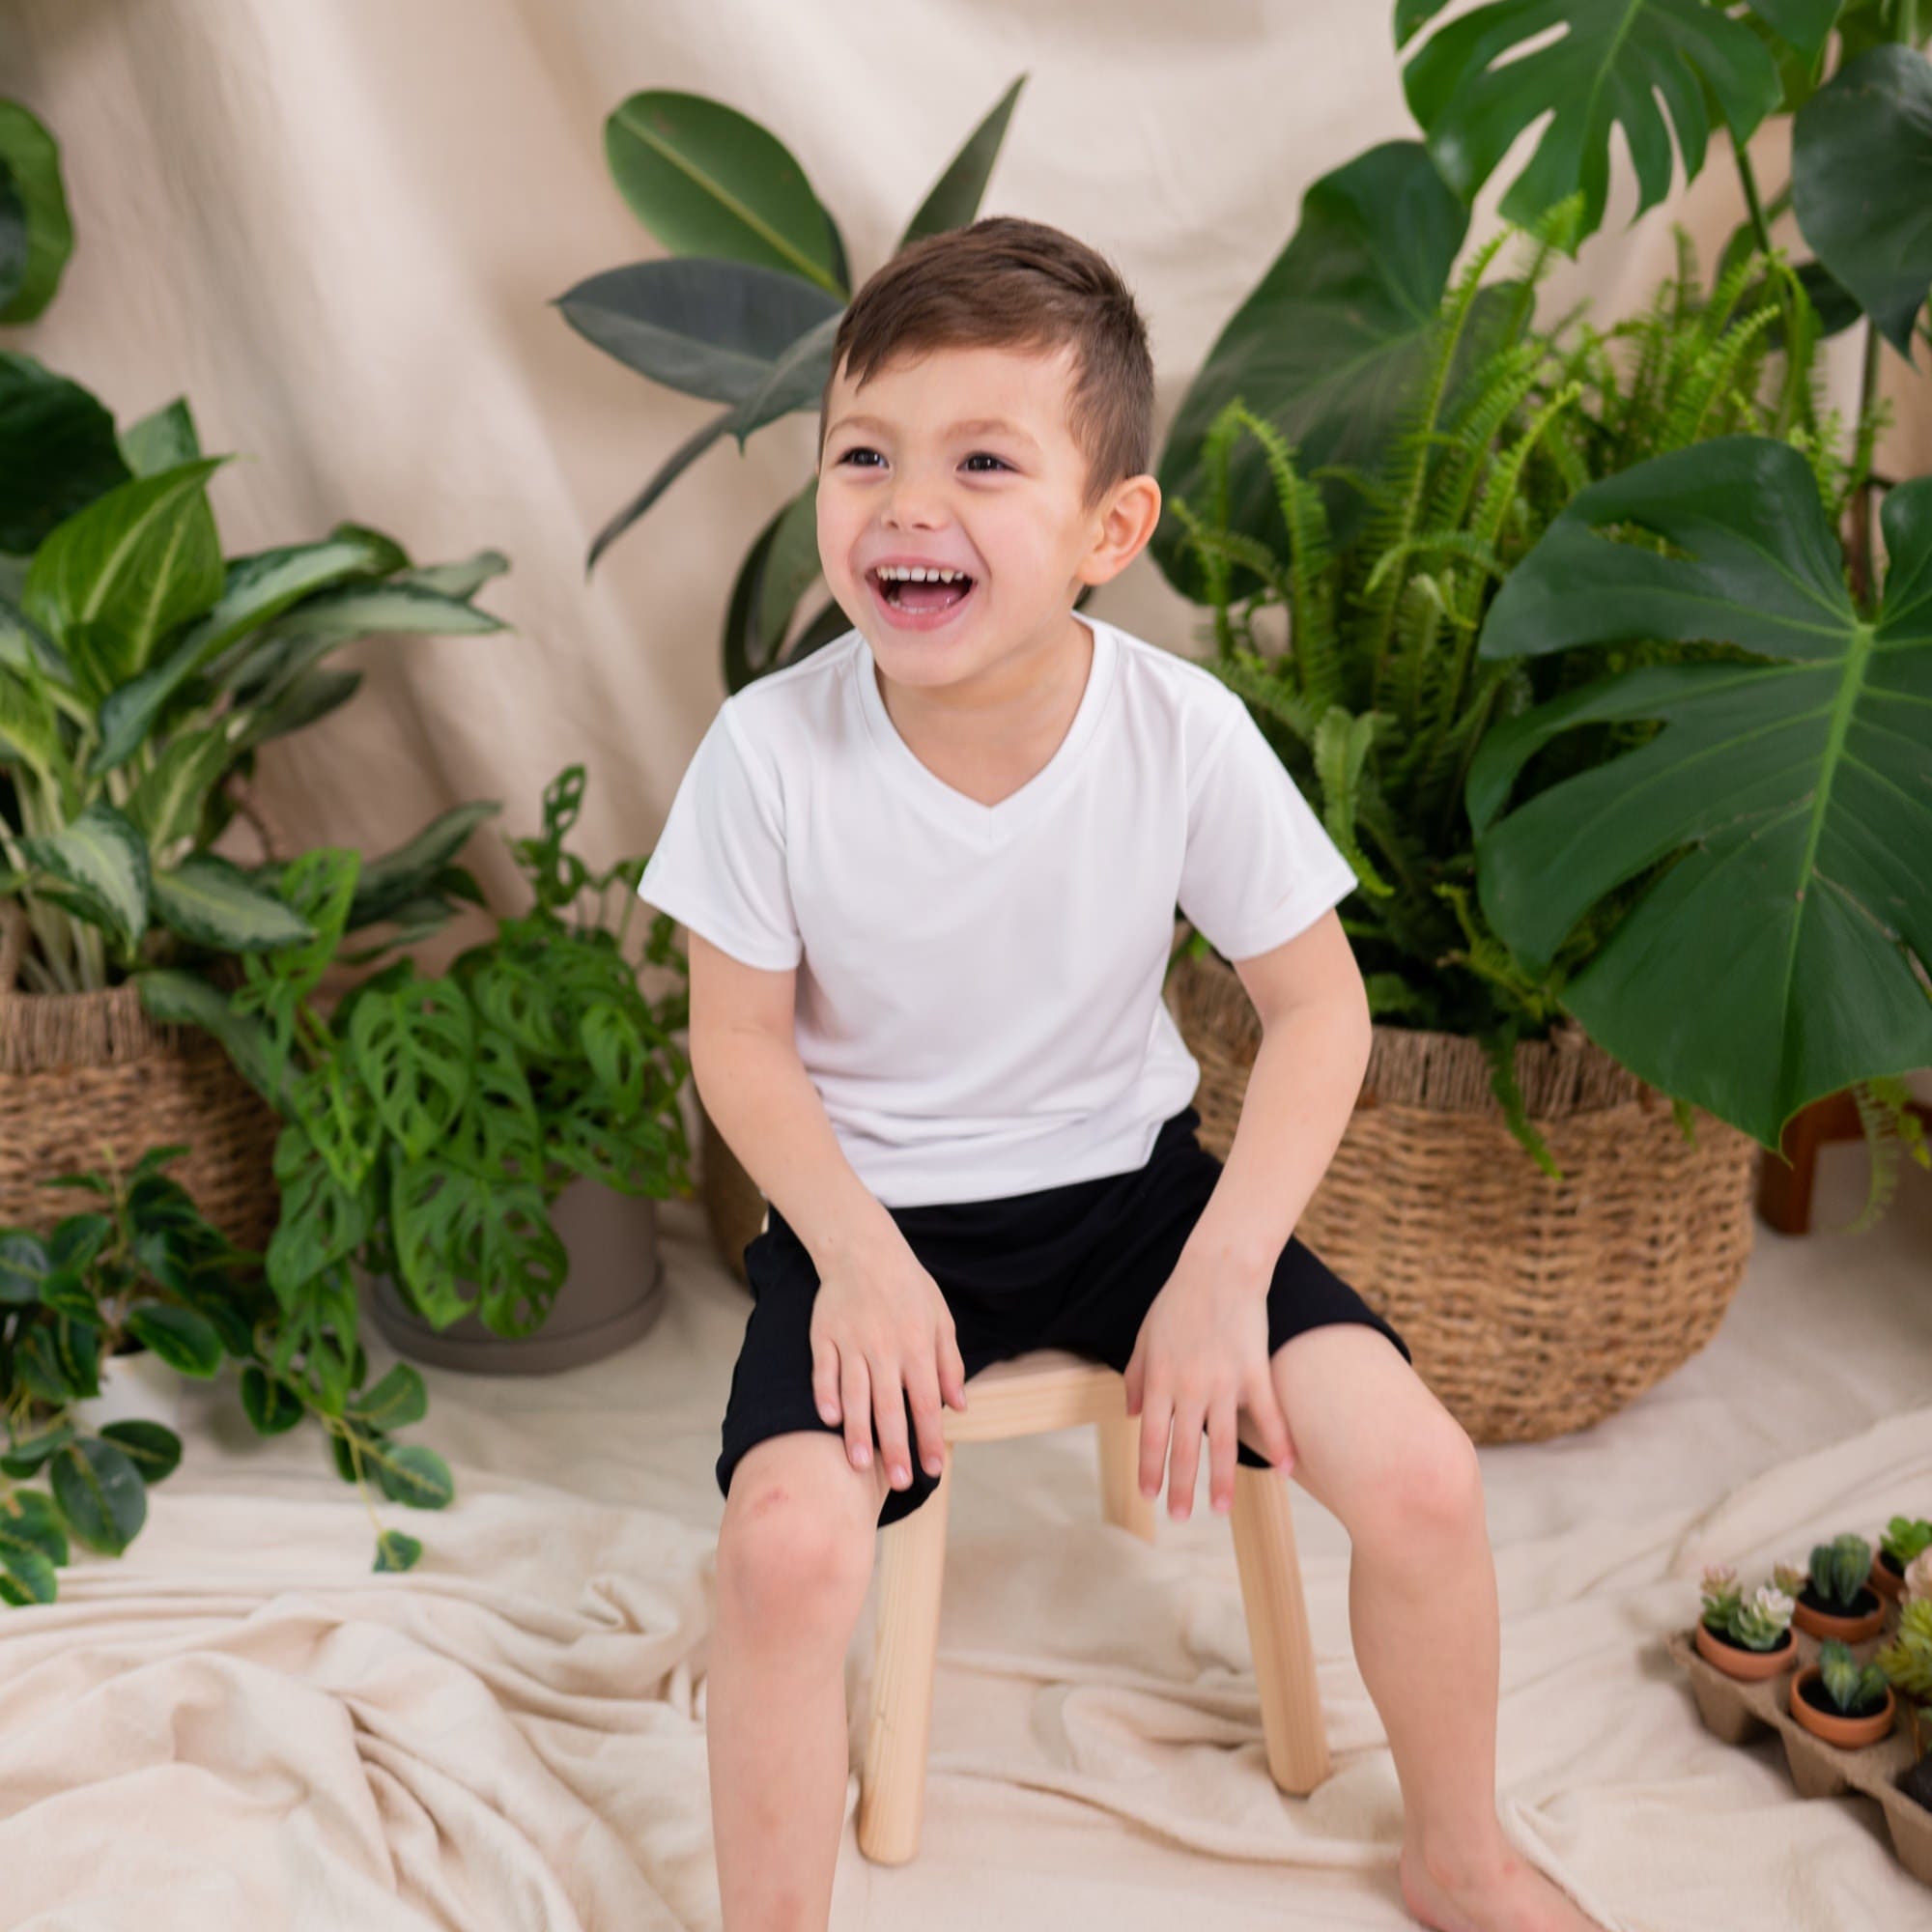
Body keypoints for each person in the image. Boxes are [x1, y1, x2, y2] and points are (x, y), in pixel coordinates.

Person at [635, 215, 1605, 1932]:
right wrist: (854, 1259)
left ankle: (1461, 1851)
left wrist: (1227, 1272)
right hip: (876, 1224)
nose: (906, 505)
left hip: (1138, 1202)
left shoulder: (1181, 732)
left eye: (982, 462)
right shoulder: (771, 751)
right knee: (785, 1554)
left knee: (1427, 1481)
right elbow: (735, 1041)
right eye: (864, 454)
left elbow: (1319, 1013)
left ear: (1109, 527)